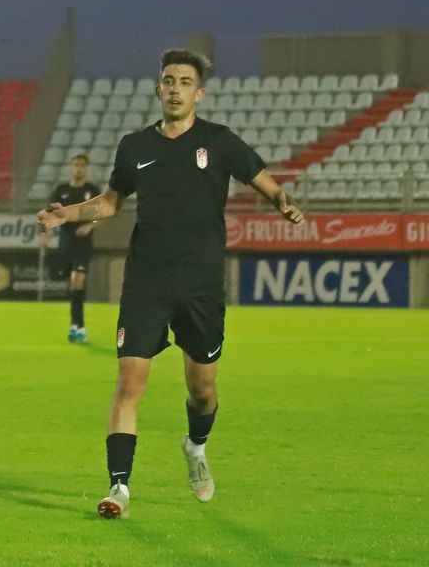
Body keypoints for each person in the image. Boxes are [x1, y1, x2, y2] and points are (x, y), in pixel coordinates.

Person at [36, 49, 303, 519]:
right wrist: (67, 213)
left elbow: (262, 178)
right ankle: (119, 487)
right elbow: (112, 201)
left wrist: (282, 201)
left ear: (198, 93)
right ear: (158, 89)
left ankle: (195, 446)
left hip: (201, 286)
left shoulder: (219, 142)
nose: (175, 88)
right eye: (168, 80)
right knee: (128, 381)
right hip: (146, 283)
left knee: (203, 389)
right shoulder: (136, 147)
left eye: (184, 82)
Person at [45, 154, 100, 343]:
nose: (78, 169)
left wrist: (90, 225)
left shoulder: (92, 191)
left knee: (78, 280)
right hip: (65, 243)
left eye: (82, 165)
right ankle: (76, 324)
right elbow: (49, 213)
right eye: (76, 165)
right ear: (71, 167)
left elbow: (102, 216)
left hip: (83, 244)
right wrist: (44, 233)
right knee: (72, 283)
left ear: (87, 168)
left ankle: (78, 326)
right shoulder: (61, 191)